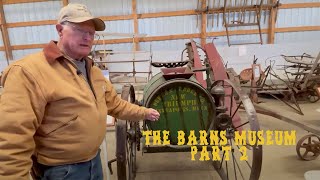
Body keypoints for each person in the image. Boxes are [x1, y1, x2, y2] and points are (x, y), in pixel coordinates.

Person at [0, 3, 160, 180]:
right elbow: (12, 137)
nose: (87, 37)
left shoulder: (93, 71)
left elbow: (115, 105)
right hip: (61, 171)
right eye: (79, 30)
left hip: (94, 162)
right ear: (60, 30)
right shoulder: (29, 71)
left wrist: (144, 112)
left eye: (91, 33)